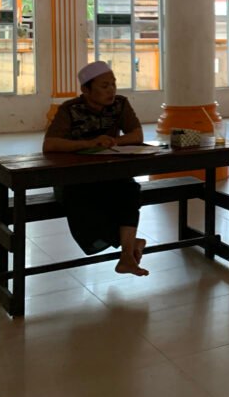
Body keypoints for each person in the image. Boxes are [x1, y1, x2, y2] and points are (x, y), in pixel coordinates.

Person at [43, 61, 149, 277]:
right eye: (104, 86)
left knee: (130, 189)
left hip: (109, 173)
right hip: (74, 179)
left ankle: (126, 257)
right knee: (84, 202)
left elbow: (137, 135)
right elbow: (50, 144)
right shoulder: (69, 109)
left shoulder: (120, 104)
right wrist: (89, 143)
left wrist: (113, 141)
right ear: (86, 89)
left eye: (113, 84)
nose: (111, 90)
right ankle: (130, 244)